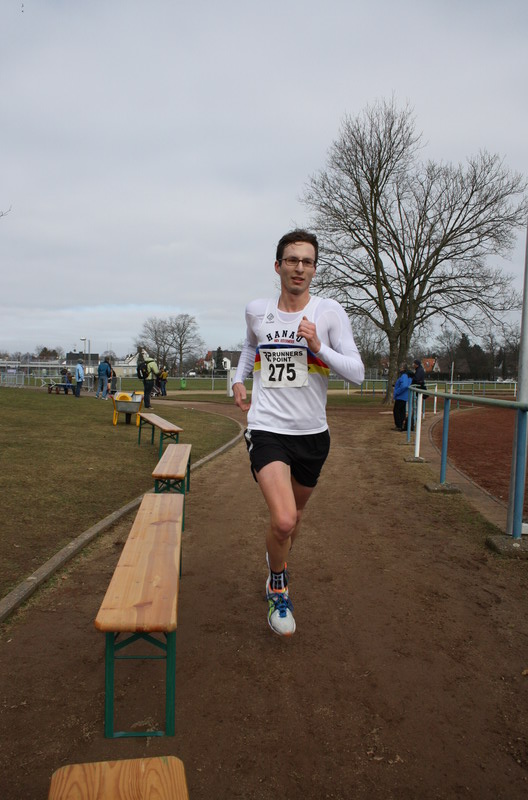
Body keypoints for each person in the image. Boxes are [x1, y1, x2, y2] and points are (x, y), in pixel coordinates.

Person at [232, 228, 365, 637]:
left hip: (312, 435)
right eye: (292, 260)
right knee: (285, 518)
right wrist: (237, 381)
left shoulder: (329, 313)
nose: (299, 268)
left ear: (314, 269)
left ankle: (277, 560)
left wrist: (319, 347)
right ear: (278, 266)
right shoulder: (257, 310)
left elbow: (358, 373)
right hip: (267, 427)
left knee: (294, 519)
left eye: (307, 261)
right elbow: (250, 347)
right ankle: (279, 586)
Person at [393, 364, 413, 430]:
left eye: (401, 367)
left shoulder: (404, 375)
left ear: (403, 368)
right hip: (405, 396)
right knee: (402, 411)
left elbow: (404, 385)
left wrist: (397, 392)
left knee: (397, 411)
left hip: (401, 396)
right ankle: (402, 424)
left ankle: (399, 425)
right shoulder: (409, 376)